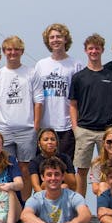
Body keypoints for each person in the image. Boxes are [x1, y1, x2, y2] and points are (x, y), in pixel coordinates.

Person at [69, 33, 112, 195]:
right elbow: (73, 104)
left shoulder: (111, 76)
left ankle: (106, 207)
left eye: (97, 48)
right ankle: (80, 208)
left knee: (108, 170)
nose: (94, 51)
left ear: (102, 50)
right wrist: (75, 128)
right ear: (85, 50)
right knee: (82, 171)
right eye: (91, 48)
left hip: (107, 130)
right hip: (84, 130)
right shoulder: (79, 77)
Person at [0, 35, 37, 189]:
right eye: (9, 49)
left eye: (16, 49)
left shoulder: (31, 73)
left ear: (22, 51)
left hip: (27, 128)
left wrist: (36, 126)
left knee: (25, 169)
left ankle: (25, 207)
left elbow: (39, 101)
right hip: (4, 129)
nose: (12, 53)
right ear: (4, 52)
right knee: (4, 167)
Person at [33, 23, 83, 161]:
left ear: (65, 39)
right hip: (45, 124)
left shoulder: (75, 65)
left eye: (59, 37)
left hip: (66, 125)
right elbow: (35, 95)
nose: (55, 40)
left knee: (65, 165)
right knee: (44, 167)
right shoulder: (41, 65)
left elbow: (80, 97)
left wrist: (76, 125)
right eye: (52, 37)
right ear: (48, 41)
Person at [28, 128, 77, 193]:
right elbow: (36, 186)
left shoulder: (65, 158)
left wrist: (60, 166)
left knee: (64, 186)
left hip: (64, 193)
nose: (50, 142)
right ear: (39, 143)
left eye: (53, 139)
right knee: (46, 184)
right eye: (46, 140)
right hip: (43, 194)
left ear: (56, 142)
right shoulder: (34, 162)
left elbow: (73, 185)